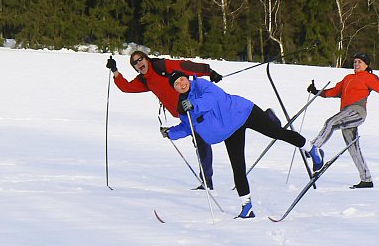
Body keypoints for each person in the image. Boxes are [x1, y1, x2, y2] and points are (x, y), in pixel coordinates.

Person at [161, 71, 322, 218]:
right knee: (237, 166)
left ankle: (312, 149)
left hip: (243, 112)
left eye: (182, 79)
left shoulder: (201, 85)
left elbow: (213, 98)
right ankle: (247, 207)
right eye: (176, 84)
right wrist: (170, 133)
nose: (181, 84)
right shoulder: (183, 108)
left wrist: (195, 105)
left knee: (277, 133)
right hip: (229, 130)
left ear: (187, 78)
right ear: (175, 89)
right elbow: (187, 126)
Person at [106, 51, 223, 189]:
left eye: (140, 59)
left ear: (147, 59)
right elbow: (127, 87)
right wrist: (115, 71)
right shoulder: (145, 80)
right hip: (183, 114)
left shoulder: (162, 66)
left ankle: (208, 181)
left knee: (206, 139)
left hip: (194, 107)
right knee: (200, 143)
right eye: (135, 63)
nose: (138, 63)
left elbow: (186, 66)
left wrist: (209, 72)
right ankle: (207, 181)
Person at [306, 52, 379, 189]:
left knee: (331, 123)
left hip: (357, 111)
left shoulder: (369, 77)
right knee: (353, 149)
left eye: (360, 62)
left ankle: (314, 148)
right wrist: (316, 91)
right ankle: (366, 179)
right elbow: (334, 91)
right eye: (355, 62)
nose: (356, 64)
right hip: (346, 114)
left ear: (366, 65)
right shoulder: (348, 78)